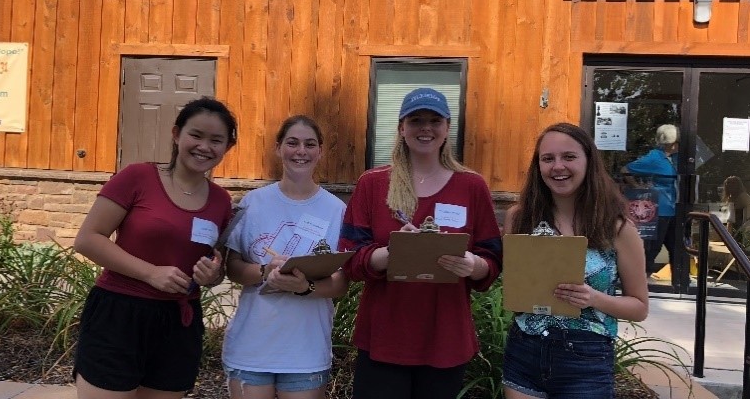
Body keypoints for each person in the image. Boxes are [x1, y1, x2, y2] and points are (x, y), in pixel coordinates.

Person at [338, 87, 503, 399]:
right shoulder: (373, 184)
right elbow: (350, 258)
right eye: (416, 120)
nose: (425, 128)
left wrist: (472, 264)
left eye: (434, 120)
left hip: (445, 336)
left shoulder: (471, 186)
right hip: (385, 334)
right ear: (402, 128)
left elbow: (492, 260)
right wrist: (393, 253)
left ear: (447, 128)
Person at [73, 97, 237, 399]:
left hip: (179, 321)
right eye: (196, 135)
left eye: (216, 140)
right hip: (119, 314)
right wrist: (150, 273)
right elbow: (88, 239)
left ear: (226, 148)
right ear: (176, 134)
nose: (204, 146)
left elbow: (215, 266)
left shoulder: (221, 201)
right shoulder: (138, 177)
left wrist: (212, 274)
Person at [503, 123, 649, 399]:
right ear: (539, 166)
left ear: (588, 162)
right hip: (524, 348)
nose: (558, 166)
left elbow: (639, 308)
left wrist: (593, 298)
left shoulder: (618, 228)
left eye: (569, 157)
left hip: (586, 358)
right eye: (548, 159)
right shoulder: (519, 217)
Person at [222, 115, 348, 399]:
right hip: (251, 346)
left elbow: (341, 283)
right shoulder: (254, 203)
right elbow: (233, 267)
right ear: (278, 148)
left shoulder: (335, 210)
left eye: (309, 144)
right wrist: (265, 272)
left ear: (320, 152)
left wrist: (306, 288)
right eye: (292, 143)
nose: (300, 151)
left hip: (306, 350)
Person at [620, 124, 679, 281]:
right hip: (661, 209)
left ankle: (678, 281)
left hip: (675, 208)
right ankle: (642, 282)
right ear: (672, 143)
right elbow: (626, 169)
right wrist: (637, 187)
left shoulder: (676, 158)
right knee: (653, 247)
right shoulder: (655, 157)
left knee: (677, 247)